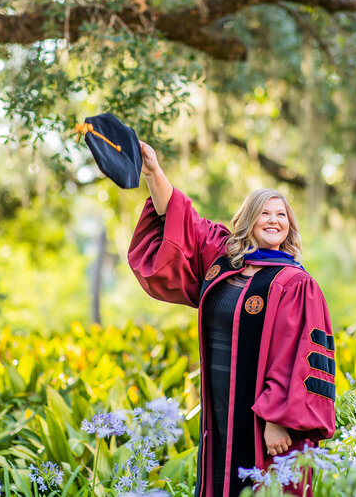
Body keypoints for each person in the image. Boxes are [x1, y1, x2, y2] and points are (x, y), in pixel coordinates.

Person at [128, 142, 336, 497]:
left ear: (290, 226)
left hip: (264, 422)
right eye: (264, 213)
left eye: (281, 215)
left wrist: (276, 421)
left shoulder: (296, 283)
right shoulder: (223, 260)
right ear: (247, 219)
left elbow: (297, 356)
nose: (273, 220)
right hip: (220, 407)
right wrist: (153, 172)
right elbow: (182, 223)